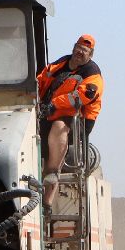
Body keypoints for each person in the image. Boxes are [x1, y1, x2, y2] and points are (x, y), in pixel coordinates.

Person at [37, 34, 103, 205]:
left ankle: (52, 176)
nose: (80, 52)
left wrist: (54, 104)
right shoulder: (60, 64)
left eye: (85, 50)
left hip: (77, 119)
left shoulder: (92, 74)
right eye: (79, 48)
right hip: (47, 113)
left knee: (59, 127)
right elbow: (41, 79)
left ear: (90, 54)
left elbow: (82, 96)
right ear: (74, 47)